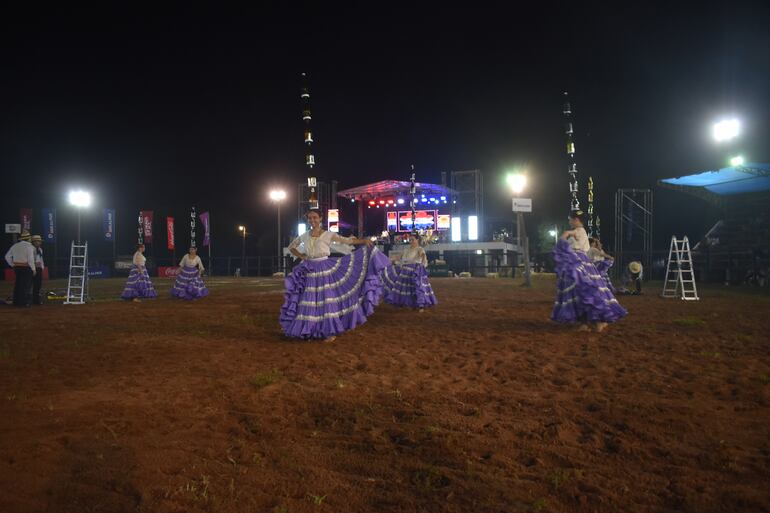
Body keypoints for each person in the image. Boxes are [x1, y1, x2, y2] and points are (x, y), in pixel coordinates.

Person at [280, 209, 390, 342]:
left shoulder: (328, 234)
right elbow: (292, 246)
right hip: (309, 269)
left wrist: (363, 241)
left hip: (324, 267)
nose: (312, 220)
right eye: (310, 218)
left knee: (325, 300)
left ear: (320, 219)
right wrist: (302, 256)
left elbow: (347, 241)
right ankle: (309, 330)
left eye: (315, 217)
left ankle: (328, 331)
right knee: (310, 301)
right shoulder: (304, 235)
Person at [551, 212, 627, 332]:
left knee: (584, 293)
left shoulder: (578, 231)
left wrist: (567, 233)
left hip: (578, 263)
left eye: (570, 219)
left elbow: (562, 243)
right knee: (581, 294)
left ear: (576, 219)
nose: (569, 222)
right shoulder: (579, 232)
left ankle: (596, 321)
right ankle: (588, 322)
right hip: (579, 263)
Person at [381, 232, 437, 312]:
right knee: (405, 288)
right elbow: (397, 257)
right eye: (410, 239)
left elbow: (422, 255)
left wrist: (422, 260)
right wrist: (385, 260)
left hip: (415, 271)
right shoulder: (406, 250)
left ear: (417, 240)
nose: (411, 241)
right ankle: (406, 303)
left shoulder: (420, 249)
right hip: (405, 271)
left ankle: (420, 305)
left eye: (412, 239)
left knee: (417, 287)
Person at [4, 231, 36, 307]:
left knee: (18, 284)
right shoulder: (29, 247)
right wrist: (33, 269)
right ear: (28, 239)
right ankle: (23, 302)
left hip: (17, 267)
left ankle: (16, 302)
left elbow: (7, 256)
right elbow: (30, 259)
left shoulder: (15, 246)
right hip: (26, 267)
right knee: (25, 285)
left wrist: (13, 264)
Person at [30, 235, 45, 305]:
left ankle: (36, 300)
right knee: (30, 285)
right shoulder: (31, 249)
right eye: (38, 241)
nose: (39, 243)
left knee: (38, 285)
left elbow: (41, 259)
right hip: (31, 268)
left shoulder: (40, 249)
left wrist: (42, 267)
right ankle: (30, 299)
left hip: (38, 268)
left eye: (39, 241)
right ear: (34, 242)